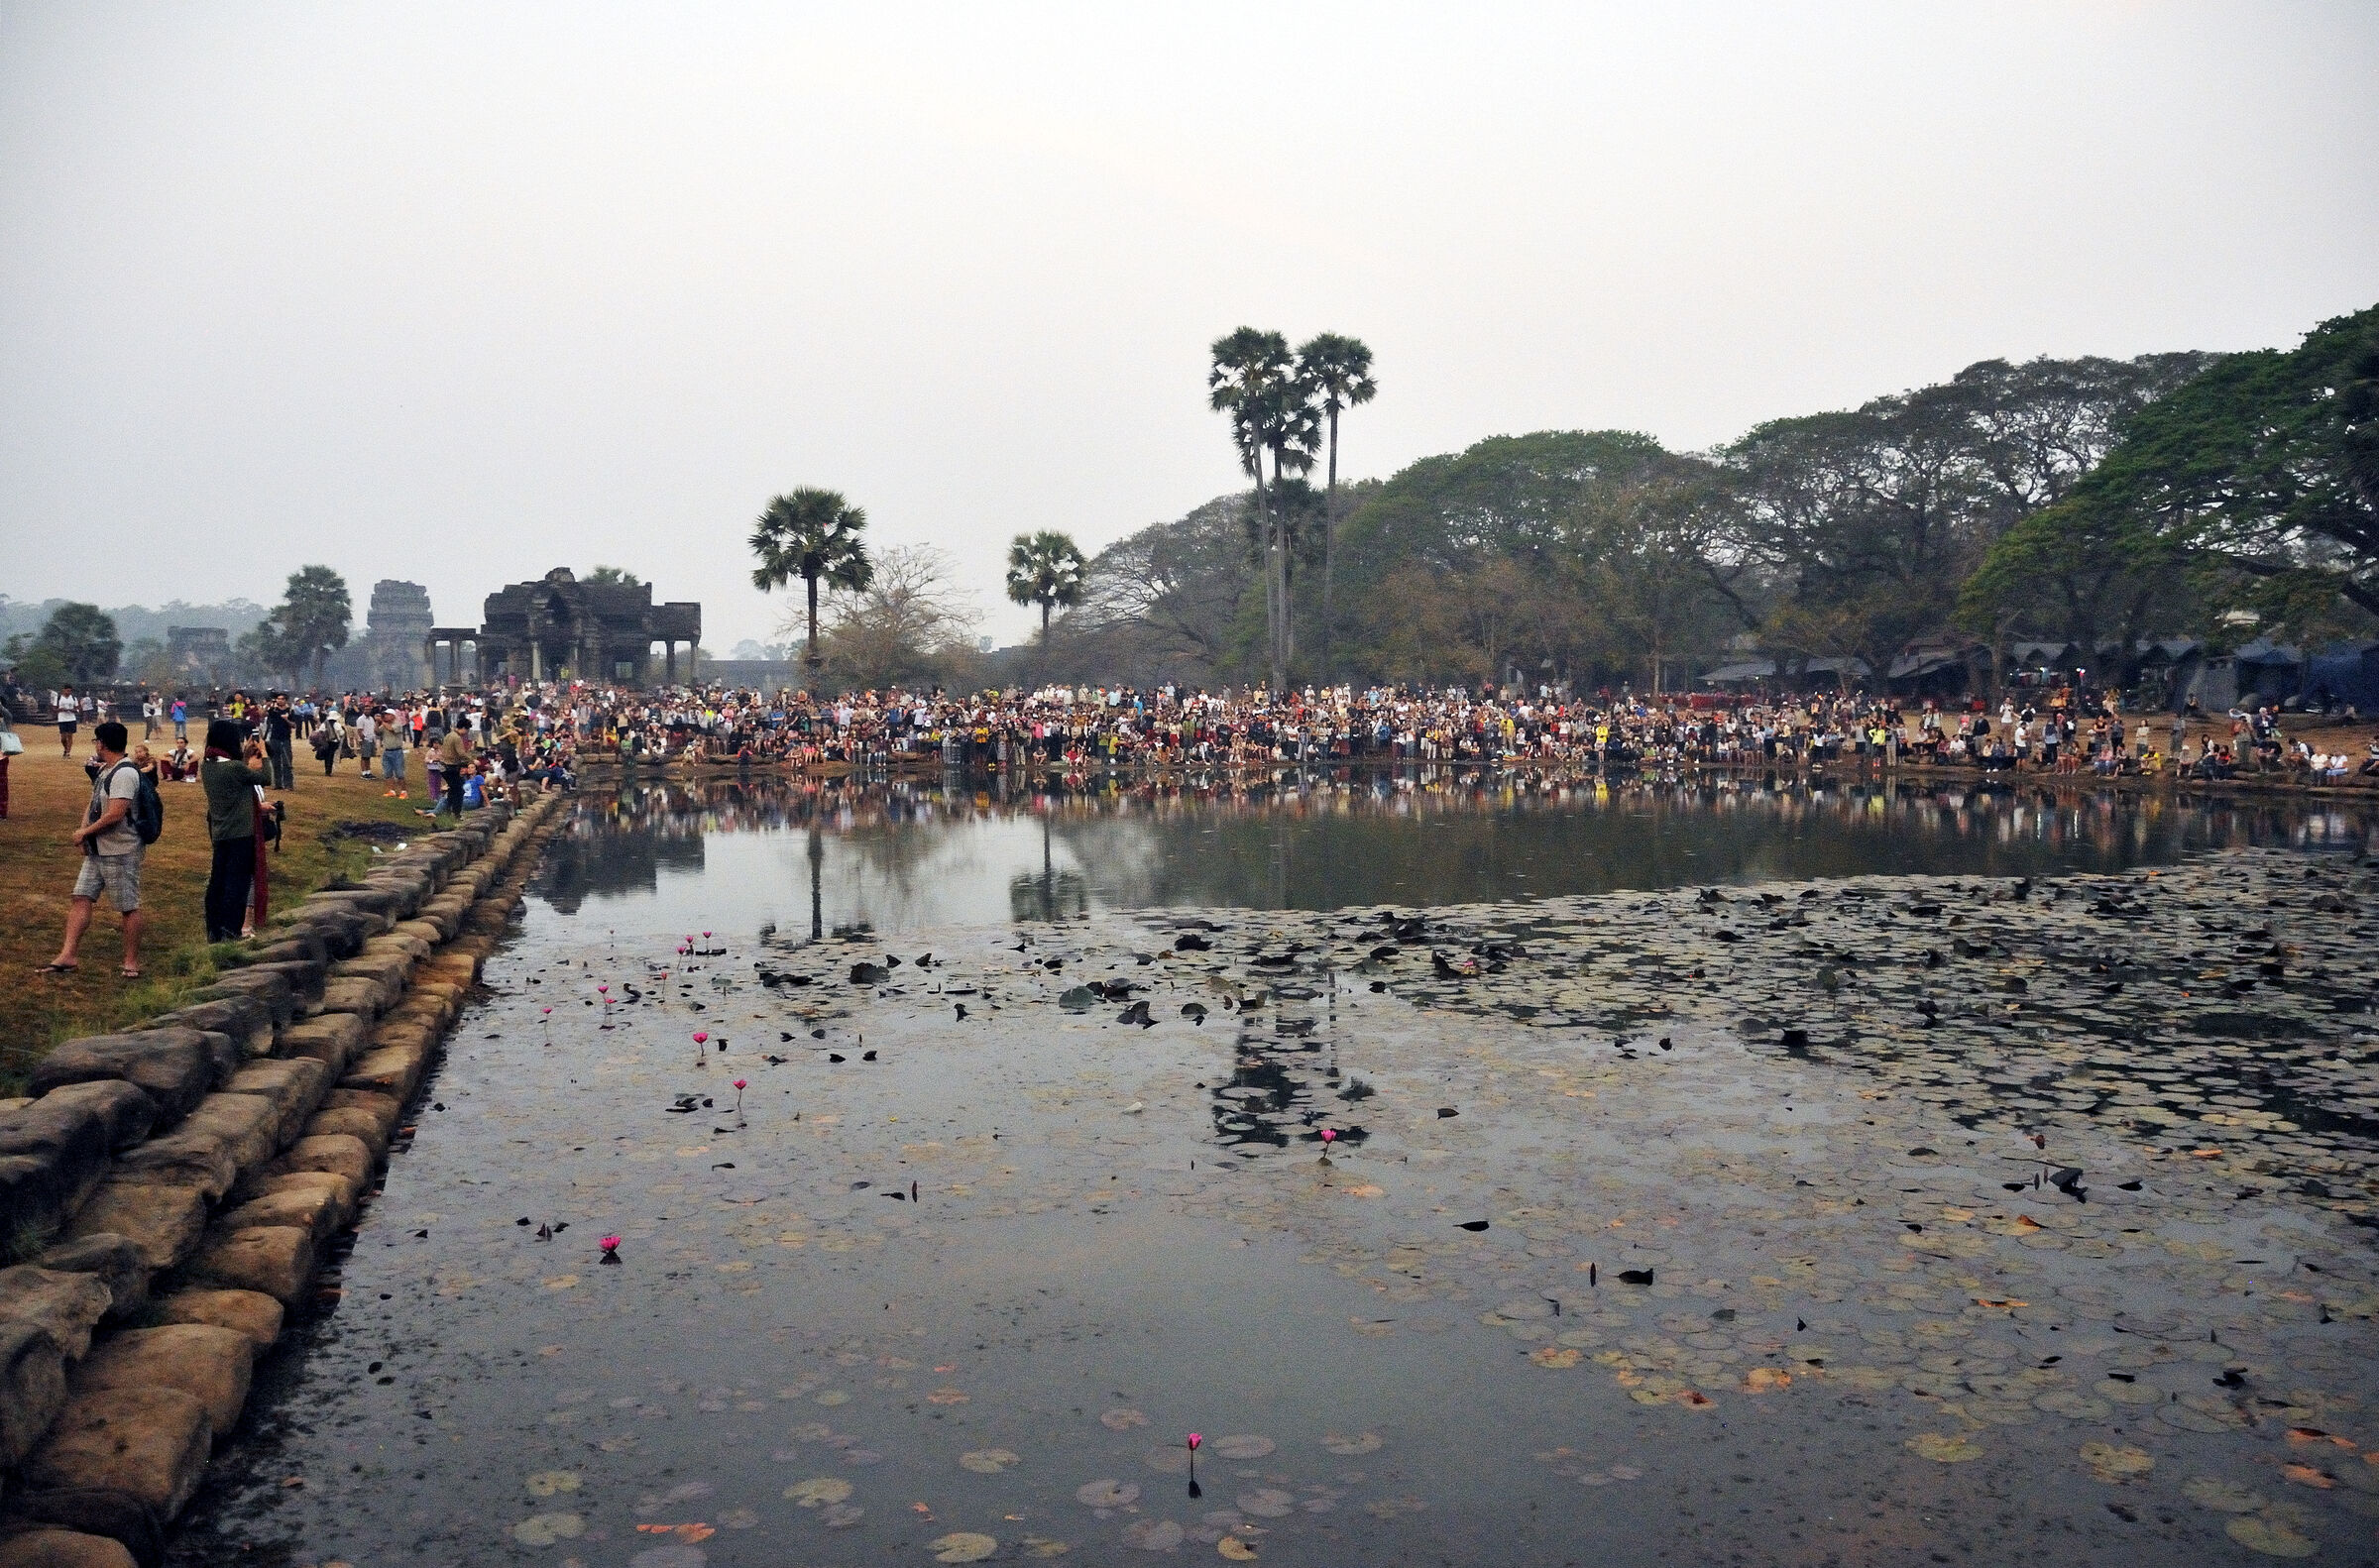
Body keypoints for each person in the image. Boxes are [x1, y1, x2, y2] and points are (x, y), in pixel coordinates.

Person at [41, 720, 147, 978]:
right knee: (81, 897)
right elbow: (93, 805)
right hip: (99, 849)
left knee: (127, 906)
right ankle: (68, 955)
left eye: (97, 741)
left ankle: (131, 962)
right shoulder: (105, 771)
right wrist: (84, 835)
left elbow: (115, 814)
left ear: (103, 743)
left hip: (120, 850)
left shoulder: (124, 773)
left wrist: (86, 832)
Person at [199, 719, 274, 943]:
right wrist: (264, 753)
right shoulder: (235, 768)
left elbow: (235, 773)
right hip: (242, 833)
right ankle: (231, 930)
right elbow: (265, 778)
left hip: (221, 832)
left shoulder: (208, 766)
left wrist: (244, 758)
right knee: (237, 884)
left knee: (218, 882)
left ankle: (215, 929)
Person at [264, 694, 295, 791]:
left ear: (286, 700)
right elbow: (261, 714)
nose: (280, 701)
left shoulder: (290, 711)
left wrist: (286, 720)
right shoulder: (273, 710)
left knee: (286, 762)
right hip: (274, 738)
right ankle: (278, 783)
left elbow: (294, 725)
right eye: (278, 699)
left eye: (282, 699)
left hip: (285, 738)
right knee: (275, 762)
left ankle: (288, 784)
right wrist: (267, 706)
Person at [56, 684, 78, 756]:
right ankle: (66, 748)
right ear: (64, 690)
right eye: (67, 690)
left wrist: (73, 710)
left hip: (71, 718)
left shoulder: (74, 698)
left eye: (70, 691)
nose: (68, 692)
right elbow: (54, 708)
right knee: (63, 738)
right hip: (62, 719)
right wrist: (60, 709)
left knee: (70, 735)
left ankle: (68, 752)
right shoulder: (58, 698)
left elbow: (77, 708)